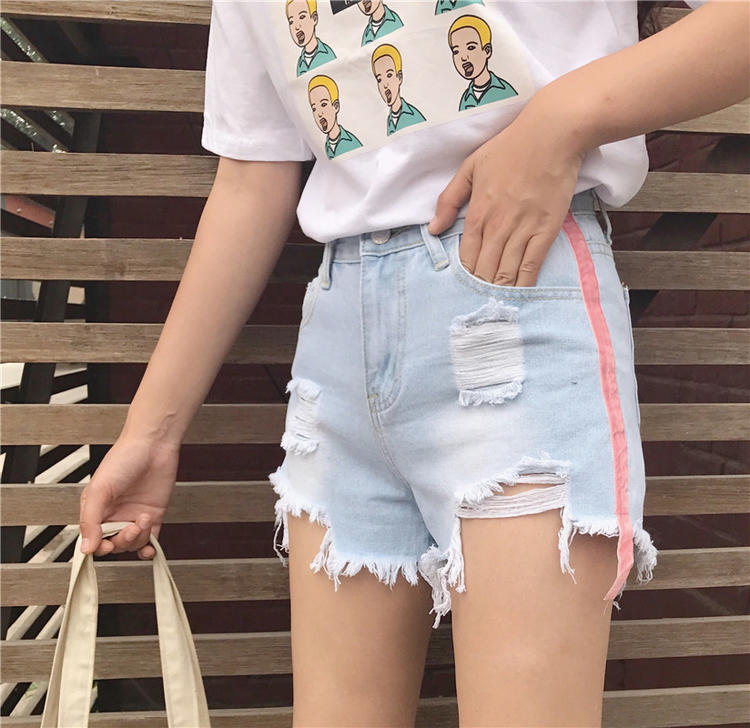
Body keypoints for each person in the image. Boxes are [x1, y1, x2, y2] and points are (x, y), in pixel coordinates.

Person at [78, 1, 749, 725]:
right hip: (338, 337)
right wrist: (151, 434)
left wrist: (561, 121)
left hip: (513, 294)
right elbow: (251, 176)